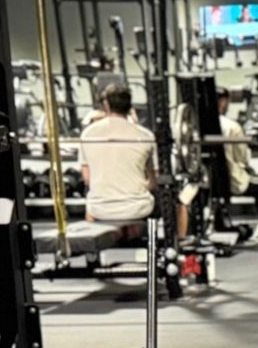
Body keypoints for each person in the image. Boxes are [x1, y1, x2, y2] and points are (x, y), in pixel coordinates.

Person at [78, 83, 188, 241]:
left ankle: (92, 255)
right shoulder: (145, 135)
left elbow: (87, 179)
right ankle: (179, 246)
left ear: (106, 105)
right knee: (179, 203)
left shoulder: (87, 134)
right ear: (130, 107)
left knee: (91, 198)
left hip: (99, 209)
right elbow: (153, 182)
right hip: (138, 209)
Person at [217, 88, 258, 244]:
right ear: (223, 102)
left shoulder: (197, 127)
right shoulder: (232, 126)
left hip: (208, 181)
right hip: (231, 179)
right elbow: (242, 159)